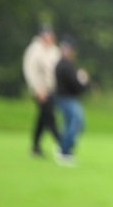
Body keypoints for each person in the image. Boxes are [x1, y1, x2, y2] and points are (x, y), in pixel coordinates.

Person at [22, 23, 61, 158]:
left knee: (42, 119)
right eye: (46, 34)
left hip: (52, 89)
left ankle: (35, 147)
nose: (49, 37)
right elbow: (30, 71)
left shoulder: (54, 51)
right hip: (40, 90)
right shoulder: (35, 50)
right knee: (49, 117)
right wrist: (37, 89)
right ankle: (62, 143)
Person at [53, 36, 90, 166]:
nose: (67, 50)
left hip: (68, 98)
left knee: (71, 125)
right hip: (66, 98)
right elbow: (75, 85)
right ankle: (64, 151)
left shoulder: (67, 65)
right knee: (76, 123)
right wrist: (83, 80)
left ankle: (64, 148)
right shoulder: (64, 66)